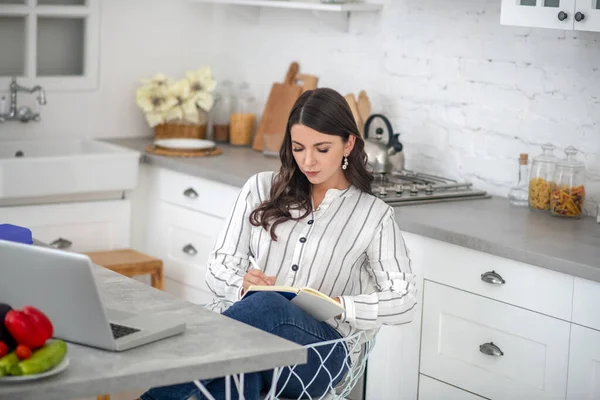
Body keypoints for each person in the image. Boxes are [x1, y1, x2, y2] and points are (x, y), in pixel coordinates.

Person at [140, 88, 417, 400]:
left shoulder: (373, 215)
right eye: (299, 148)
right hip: (249, 333)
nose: (308, 161)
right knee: (239, 361)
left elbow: (404, 298)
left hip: (320, 355)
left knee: (265, 310)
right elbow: (218, 267)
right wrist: (242, 285)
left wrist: (342, 306)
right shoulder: (260, 188)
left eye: (321, 149)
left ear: (348, 144)